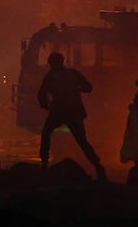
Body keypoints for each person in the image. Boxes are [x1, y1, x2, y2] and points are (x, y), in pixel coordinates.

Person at [37, 51, 106, 181]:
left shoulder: (50, 76)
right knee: (82, 140)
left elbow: (41, 94)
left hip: (58, 111)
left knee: (46, 132)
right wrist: (76, 89)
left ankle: (44, 163)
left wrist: (46, 105)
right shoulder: (72, 74)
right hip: (74, 111)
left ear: (51, 63)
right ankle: (97, 164)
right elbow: (89, 87)